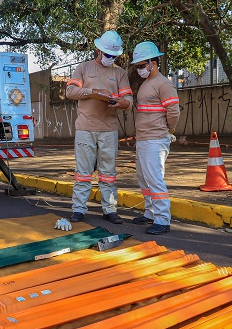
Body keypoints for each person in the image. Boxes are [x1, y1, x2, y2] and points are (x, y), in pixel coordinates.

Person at [65, 30, 133, 224]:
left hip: (109, 129)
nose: (111, 58)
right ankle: (78, 209)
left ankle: (110, 209)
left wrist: (123, 103)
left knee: (108, 173)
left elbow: (128, 98)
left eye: (114, 56)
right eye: (108, 55)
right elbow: (70, 91)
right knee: (83, 172)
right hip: (85, 129)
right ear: (98, 50)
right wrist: (92, 92)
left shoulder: (119, 73)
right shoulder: (84, 68)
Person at [129, 41, 180, 235]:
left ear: (154, 62)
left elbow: (173, 111)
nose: (140, 69)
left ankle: (162, 219)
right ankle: (150, 213)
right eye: (138, 66)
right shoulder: (146, 84)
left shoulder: (163, 84)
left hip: (155, 139)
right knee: (143, 179)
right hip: (143, 139)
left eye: (142, 65)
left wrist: (169, 130)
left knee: (155, 179)